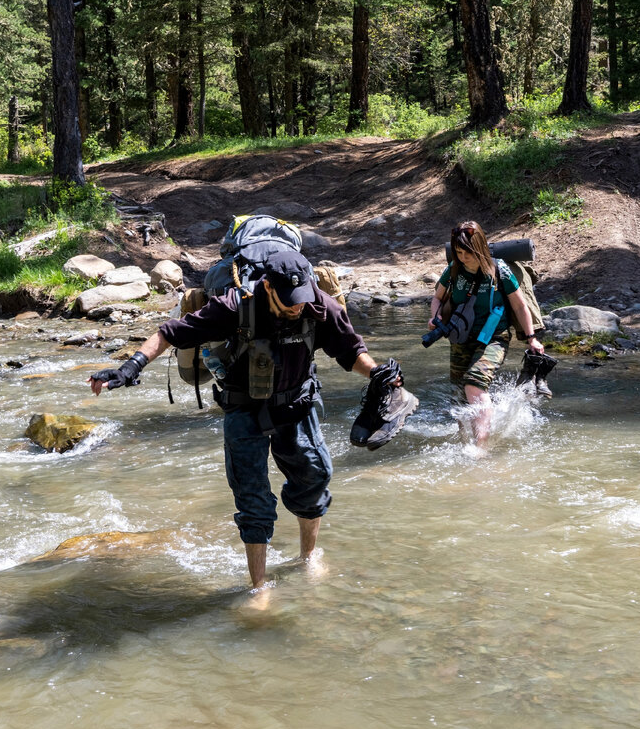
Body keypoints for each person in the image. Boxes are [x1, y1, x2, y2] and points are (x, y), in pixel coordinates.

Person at [89, 250, 415, 590]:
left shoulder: (318, 305)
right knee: (253, 499)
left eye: (301, 298)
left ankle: (308, 557)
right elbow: (170, 333)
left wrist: (378, 373)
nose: (297, 306)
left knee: (314, 479)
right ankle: (258, 586)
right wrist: (131, 366)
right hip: (244, 410)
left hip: (297, 405)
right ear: (269, 288)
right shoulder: (235, 305)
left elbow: (351, 352)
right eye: (289, 300)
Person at [428, 221, 545, 447]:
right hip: (461, 336)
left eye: (468, 253)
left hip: (494, 337)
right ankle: (464, 443)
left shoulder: (499, 270)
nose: (463, 257)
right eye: (459, 252)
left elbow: (521, 307)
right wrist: (435, 316)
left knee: (474, 383)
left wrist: (532, 338)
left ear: (480, 247)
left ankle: (480, 447)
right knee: (459, 394)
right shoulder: (453, 269)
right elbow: (437, 298)